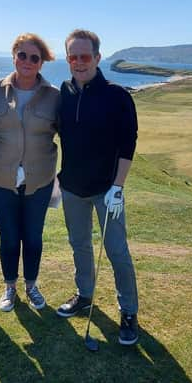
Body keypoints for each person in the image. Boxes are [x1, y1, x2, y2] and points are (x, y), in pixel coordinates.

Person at [55, 29, 140, 345]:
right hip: (72, 188)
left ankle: (129, 311)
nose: (79, 62)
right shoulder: (62, 93)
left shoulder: (117, 96)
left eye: (85, 56)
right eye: (73, 57)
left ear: (97, 58)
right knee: (79, 245)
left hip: (107, 190)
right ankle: (84, 294)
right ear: (67, 59)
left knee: (117, 252)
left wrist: (118, 186)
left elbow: (127, 144)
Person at [0, 33, 59, 312]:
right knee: (8, 237)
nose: (27, 62)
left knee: (32, 237)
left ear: (42, 62)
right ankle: (9, 287)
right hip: (1, 180)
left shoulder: (54, 96)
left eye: (34, 57)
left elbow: (71, 133)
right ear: (14, 55)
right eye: (22, 55)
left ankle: (31, 286)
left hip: (39, 182)